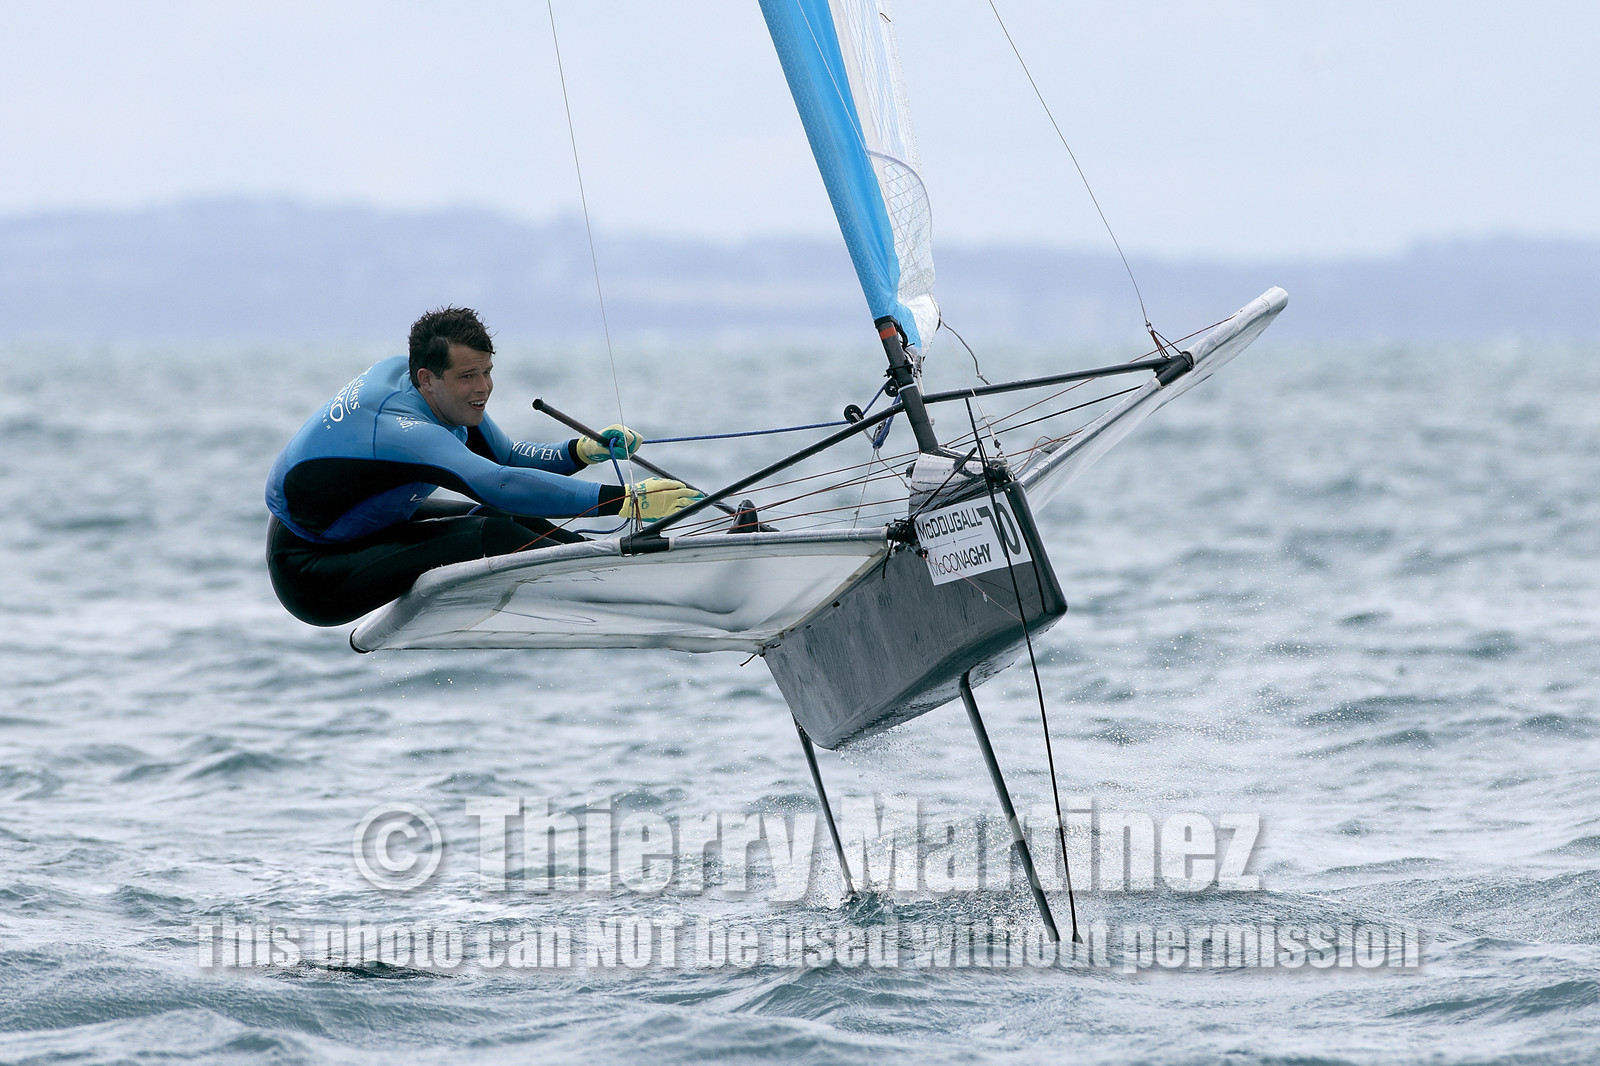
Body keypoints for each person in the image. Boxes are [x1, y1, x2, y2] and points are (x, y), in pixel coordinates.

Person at [265, 306, 700, 626]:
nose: (484, 387)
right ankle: (632, 591)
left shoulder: (430, 390)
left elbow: (505, 459)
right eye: (469, 376)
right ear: (426, 379)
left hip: (370, 524)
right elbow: (498, 483)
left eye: (487, 371)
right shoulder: (403, 428)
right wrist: (624, 500)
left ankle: (620, 569)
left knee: (501, 519)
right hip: (312, 569)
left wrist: (580, 451)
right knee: (491, 532)